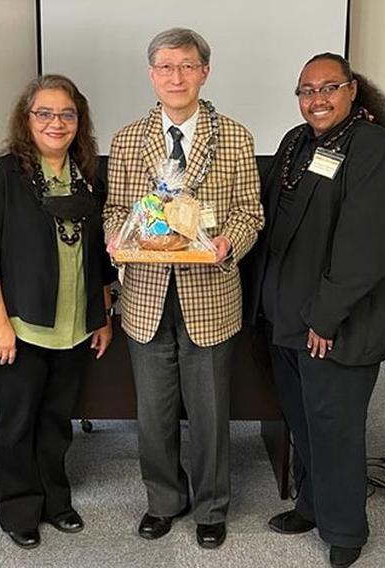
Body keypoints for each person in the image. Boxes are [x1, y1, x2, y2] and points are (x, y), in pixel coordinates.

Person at [245, 52, 385, 568]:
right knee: (302, 422)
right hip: (285, 317)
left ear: (352, 90)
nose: (316, 99)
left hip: (335, 324)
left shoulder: (371, 148)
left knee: (335, 425)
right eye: (306, 90)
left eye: (328, 87)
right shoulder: (296, 142)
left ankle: (345, 529)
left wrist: (324, 317)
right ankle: (311, 503)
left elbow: (366, 247)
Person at [102, 27, 264, 549]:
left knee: (211, 410)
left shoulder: (235, 136)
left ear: (205, 72)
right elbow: (115, 210)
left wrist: (227, 244)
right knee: (153, 411)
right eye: (166, 67)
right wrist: (113, 234)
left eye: (187, 66)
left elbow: (249, 212)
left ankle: (212, 506)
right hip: (146, 293)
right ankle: (163, 500)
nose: (176, 76)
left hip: (210, 291)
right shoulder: (128, 139)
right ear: (152, 75)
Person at [0, 74, 116, 550]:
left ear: (80, 121)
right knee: (17, 422)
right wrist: (0, 324)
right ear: (26, 119)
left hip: (74, 327)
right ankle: (18, 509)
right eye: (45, 113)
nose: (56, 123)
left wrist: (102, 316)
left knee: (56, 421)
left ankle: (56, 501)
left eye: (67, 114)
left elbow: (100, 257)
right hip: (22, 327)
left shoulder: (89, 175)